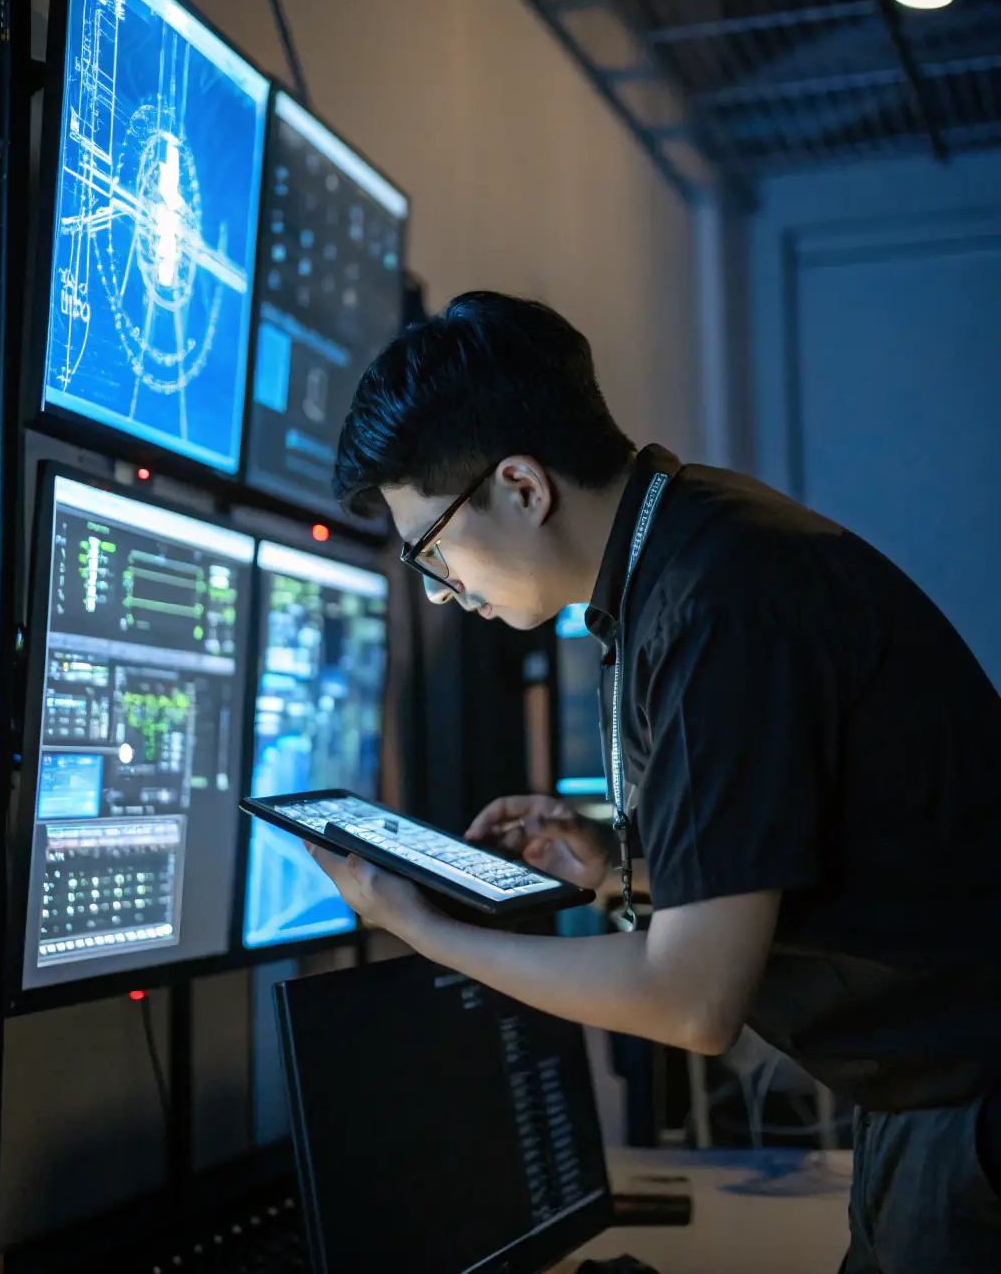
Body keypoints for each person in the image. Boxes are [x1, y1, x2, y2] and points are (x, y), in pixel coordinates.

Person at [308, 290, 1001, 1271]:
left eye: (430, 552)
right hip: (930, 1100)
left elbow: (688, 1003)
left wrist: (421, 928)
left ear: (520, 485)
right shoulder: (692, 548)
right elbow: (809, 832)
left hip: (970, 1107)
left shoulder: (716, 600)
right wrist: (618, 873)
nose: (439, 589)